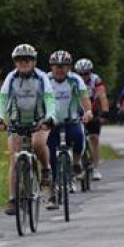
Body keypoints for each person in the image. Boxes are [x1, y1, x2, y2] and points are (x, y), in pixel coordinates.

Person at [0, 43, 56, 215]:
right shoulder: (11, 78)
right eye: (20, 61)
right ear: (15, 63)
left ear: (34, 62)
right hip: (17, 122)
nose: (24, 64)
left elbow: (50, 99)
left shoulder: (42, 78)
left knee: (38, 143)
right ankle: (13, 199)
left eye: (27, 60)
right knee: (14, 158)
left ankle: (45, 169)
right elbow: (2, 99)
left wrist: (50, 118)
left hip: (39, 120)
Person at [44, 50, 91, 209]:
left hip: (71, 120)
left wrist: (88, 112)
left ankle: (76, 163)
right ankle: (51, 195)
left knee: (79, 137)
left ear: (69, 67)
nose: (60, 69)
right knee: (50, 159)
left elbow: (84, 97)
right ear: (51, 66)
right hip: (52, 123)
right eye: (56, 66)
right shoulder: (46, 80)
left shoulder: (75, 80)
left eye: (63, 66)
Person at [74, 58, 109, 180]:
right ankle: (76, 165)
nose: (83, 76)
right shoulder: (72, 79)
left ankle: (96, 168)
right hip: (76, 111)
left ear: (90, 72)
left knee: (94, 138)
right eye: (81, 74)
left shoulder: (95, 80)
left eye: (86, 73)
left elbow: (102, 96)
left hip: (92, 111)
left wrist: (104, 112)